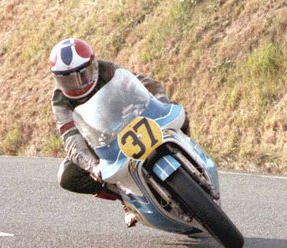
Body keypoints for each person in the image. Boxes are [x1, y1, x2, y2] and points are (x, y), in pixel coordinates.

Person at [49, 38, 189, 227]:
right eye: (67, 79)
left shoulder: (107, 70)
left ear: (93, 66)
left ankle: (184, 155)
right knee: (67, 176)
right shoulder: (60, 100)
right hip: (99, 140)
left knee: (176, 110)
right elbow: (71, 140)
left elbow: (149, 85)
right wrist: (93, 166)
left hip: (132, 117)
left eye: (82, 74)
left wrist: (161, 101)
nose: (77, 84)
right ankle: (125, 196)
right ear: (57, 78)